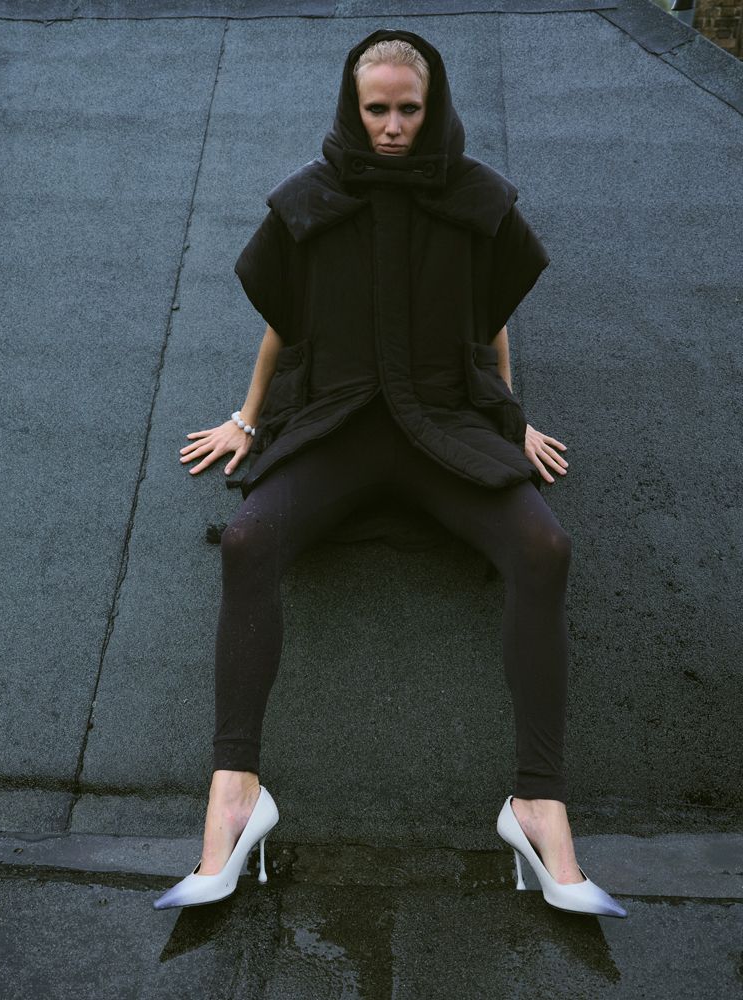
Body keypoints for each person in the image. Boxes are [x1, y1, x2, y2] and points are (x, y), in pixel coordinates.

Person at [154, 29, 627, 918]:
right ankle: (235, 797)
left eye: (410, 109)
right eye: (378, 109)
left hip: (444, 426)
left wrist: (509, 419)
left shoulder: (476, 200)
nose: (395, 127)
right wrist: (247, 417)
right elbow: (284, 326)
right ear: (352, 106)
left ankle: (538, 804)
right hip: (340, 422)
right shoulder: (311, 201)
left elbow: (491, 322)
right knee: (249, 538)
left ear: (434, 105)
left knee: (544, 547)